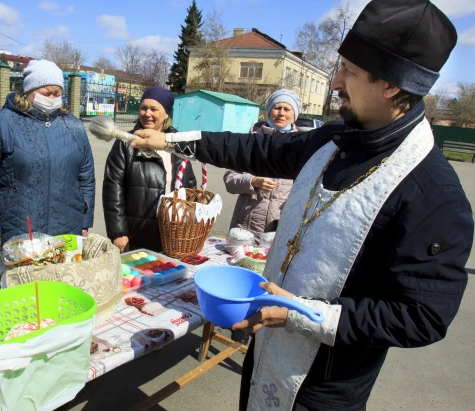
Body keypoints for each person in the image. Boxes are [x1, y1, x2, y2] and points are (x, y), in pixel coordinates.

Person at [130, 1, 474, 410]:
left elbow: (422, 316)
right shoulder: (333, 137)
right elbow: (256, 148)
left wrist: (298, 314)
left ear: (392, 86)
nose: (336, 82)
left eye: (350, 70)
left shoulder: (433, 194)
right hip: (267, 353)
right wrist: (172, 141)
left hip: (324, 387)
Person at [0, 59, 95, 291]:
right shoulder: (1, 123)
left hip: (65, 226)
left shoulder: (73, 126)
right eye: (46, 92)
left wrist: (85, 220)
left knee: (59, 292)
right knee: (15, 294)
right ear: (28, 92)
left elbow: (86, 175)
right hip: (16, 228)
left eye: (57, 93)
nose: (52, 98)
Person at [103, 87, 196, 253]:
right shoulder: (126, 144)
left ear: (166, 114)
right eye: (143, 108)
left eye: (154, 109)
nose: (147, 113)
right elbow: (112, 190)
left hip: (172, 235)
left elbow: (190, 186)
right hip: (136, 234)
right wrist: (118, 233)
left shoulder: (178, 143)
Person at [224, 89, 301, 243]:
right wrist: (253, 181)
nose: (281, 113)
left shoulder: (300, 145)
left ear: (294, 115)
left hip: (279, 230)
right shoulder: (251, 140)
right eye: (277, 108)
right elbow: (229, 180)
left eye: (287, 109)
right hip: (245, 228)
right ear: (269, 111)